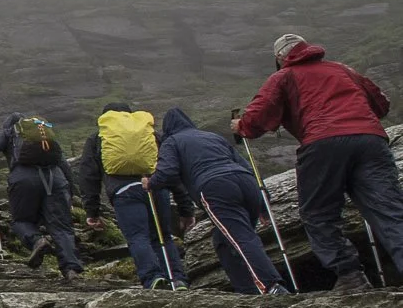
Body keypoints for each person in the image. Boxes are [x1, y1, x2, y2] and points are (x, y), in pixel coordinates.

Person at [234, 33, 403, 294]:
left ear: (280, 58)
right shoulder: (342, 70)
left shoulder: (283, 77)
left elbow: (257, 117)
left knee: (319, 213)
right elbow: (380, 104)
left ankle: (350, 277)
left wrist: (241, 126)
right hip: (371, 141)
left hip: (322, 143)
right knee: (390, 210)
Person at [153, 106, 287, 294]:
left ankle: (271, 286)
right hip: (247, 184)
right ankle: (247, 291)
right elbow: (247, 166)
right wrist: (263, 204)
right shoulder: (212, 137)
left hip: (215, 187)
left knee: (241, 237)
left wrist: (149, 183)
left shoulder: (172, 142)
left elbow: (166, 173)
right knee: (223, 241)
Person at [77, 103, 187, 289]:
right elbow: (170, 169)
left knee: (138, 237)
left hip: (125, 192)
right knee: (163, 236)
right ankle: (177, 278)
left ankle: (152, 278)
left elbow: (89, 176)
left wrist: (92, 211)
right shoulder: (150, 134)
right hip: (156, 188)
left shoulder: (99, 137)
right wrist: (185, 206)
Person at [0, 113, 83, 278]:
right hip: (55, 178)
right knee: (61, 227)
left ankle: (37, 241)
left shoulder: (10, 131)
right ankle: (71, 269)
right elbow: (63, 163)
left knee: (22, 220)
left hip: (24, 178)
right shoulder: (43, 133)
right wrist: (71, 191)